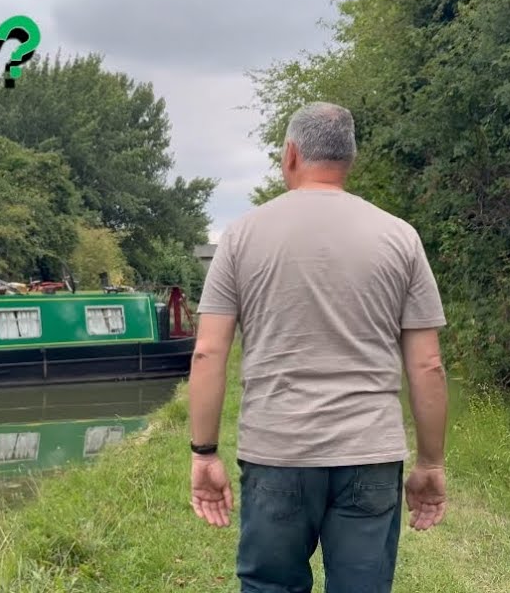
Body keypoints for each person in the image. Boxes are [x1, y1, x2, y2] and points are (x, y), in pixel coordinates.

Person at [187, 101, 450, 593]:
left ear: (290, 155)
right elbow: (428, 365)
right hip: (369, 453)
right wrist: (430, 464)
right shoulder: (400, 237)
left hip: (276, 452)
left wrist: (205, 454)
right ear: (350, 160)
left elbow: (208, 353)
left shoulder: (241, 237)